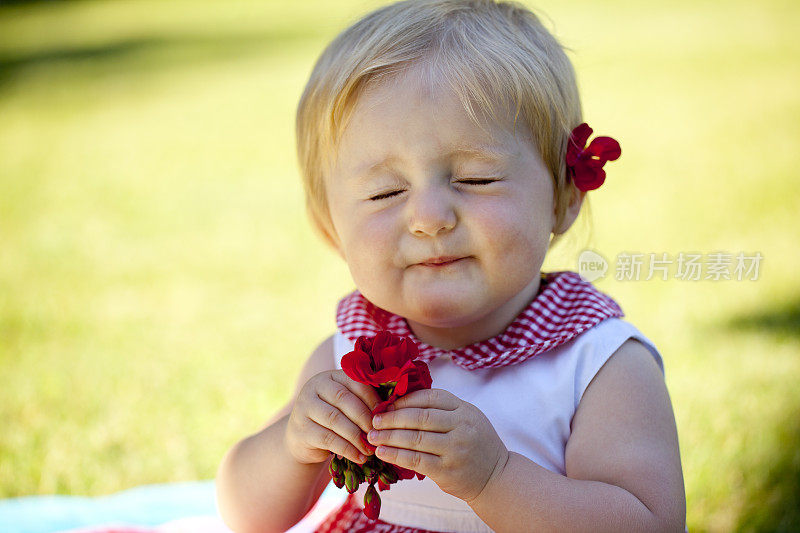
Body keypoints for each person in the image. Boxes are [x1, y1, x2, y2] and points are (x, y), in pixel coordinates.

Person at [216, 0, 687, 531]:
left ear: (563, 195)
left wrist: (494, 478)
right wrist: (291, 445)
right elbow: (245, 516)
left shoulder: (596, 364)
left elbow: (650, 523)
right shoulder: (350, 357)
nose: (429, 218)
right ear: (331, 227)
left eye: (476, 178)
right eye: (385, 192)